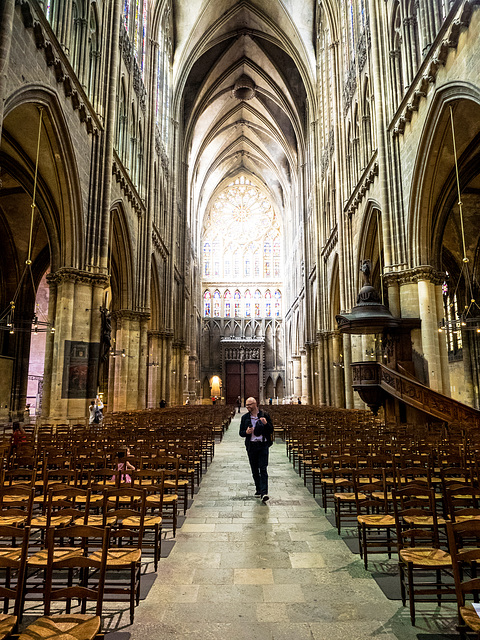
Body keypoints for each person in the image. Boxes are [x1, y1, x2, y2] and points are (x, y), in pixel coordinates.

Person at [239, 397, 274, 502]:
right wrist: (246, 432)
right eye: (246, 405)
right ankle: (258, 489)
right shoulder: (245, 418)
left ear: (255, 404)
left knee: (263, 469)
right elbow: (241, 433)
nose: (247, 407)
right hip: (252, 446)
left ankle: (264, 492)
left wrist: (265, 424)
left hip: (263, 445)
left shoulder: (265, 415)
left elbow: (271, 430)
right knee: (254, 469)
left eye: (249, 405)